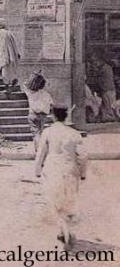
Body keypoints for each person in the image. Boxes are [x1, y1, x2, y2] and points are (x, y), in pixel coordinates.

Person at [35, 106, 88, 249]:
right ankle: (66, 230)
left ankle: (63, 231)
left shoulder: (47, 132)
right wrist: (83, 173)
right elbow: (82, 156)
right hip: (70, 169)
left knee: (55, 200)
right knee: (68, 200)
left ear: (53, 116)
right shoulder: (74, 133)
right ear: (66, 117)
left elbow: (41, 153)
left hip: (53, 168)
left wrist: (37, 170)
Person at [23, 71, 54, 151]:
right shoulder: (46, 94)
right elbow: (51, 104)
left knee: (36, 134)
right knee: (40, 132)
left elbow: (24, 84)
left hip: (33, 114)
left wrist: (34, 77)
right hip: (43, 115)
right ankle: (40, 150)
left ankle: (39, 150)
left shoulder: (30, 93)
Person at [0, 18, 20, 97]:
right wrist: (16, 53)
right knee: (9, 71)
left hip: (4, 56)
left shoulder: (0, 33)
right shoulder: (9, 33)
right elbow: (14, 44)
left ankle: (8, 88)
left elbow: (0, 47)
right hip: (10, 55)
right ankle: (11, 83)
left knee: (5, 73)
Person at [88, 52, 118, 122]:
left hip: (108, 90)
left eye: (95, 61)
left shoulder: (105, 68)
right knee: (105, 106)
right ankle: (104, 118)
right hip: (106, 90)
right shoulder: (105, 68)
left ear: (100, 60)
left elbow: (98, 79)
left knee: (109, 107)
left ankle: (113, 119)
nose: (94, 63)